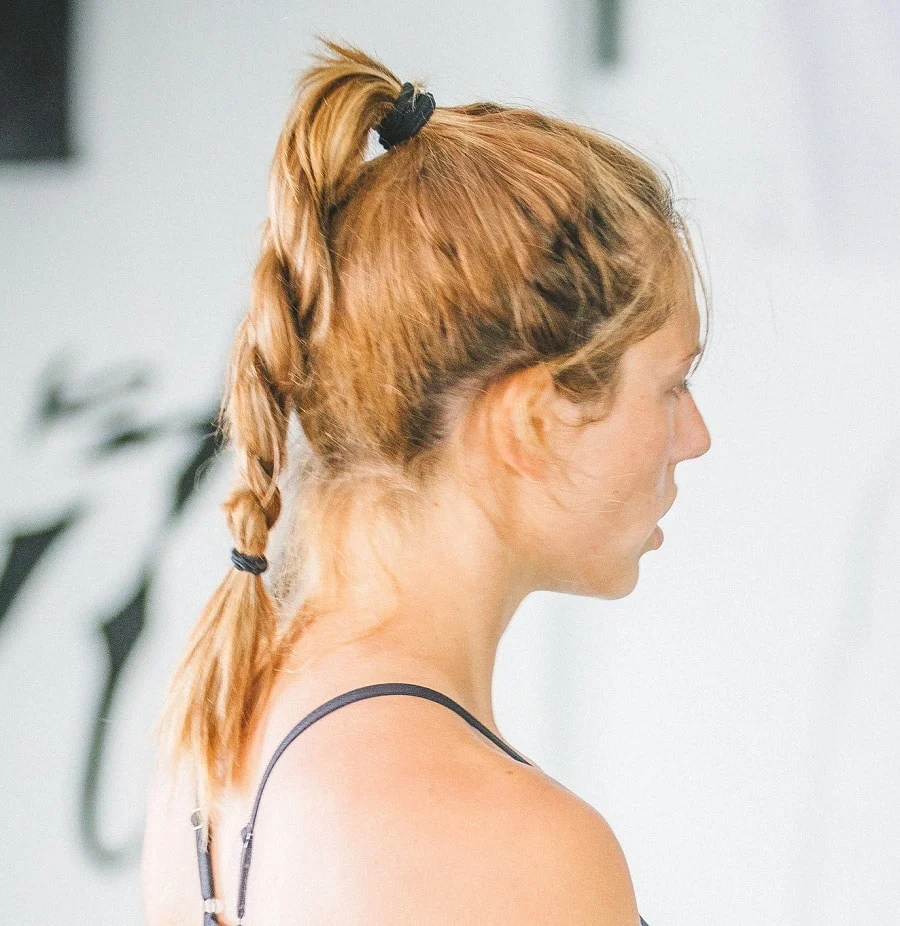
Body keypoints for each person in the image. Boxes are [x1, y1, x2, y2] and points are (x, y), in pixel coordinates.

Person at [140, 36, 711, 926]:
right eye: (672, 385)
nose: (696, 438)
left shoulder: (209, 757)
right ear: (531, 420)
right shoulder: (512, 842)